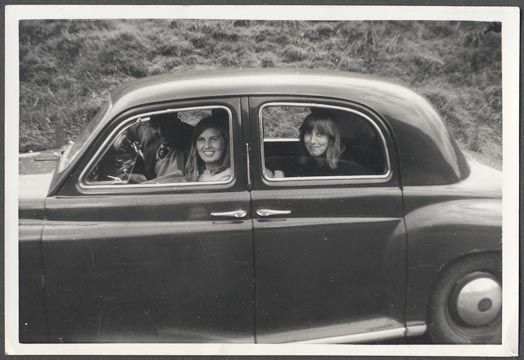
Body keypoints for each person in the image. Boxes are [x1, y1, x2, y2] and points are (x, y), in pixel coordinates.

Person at [116, 112, 194, 184]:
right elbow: (130, 127)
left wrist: (147, 184)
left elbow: (187, 180)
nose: (161, 132)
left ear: (177, 122)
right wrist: (121, 135)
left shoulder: (193, 140)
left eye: (166, 126)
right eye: (155, 127)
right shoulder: (148, 134)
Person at [289, 109, 369, 177]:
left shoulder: (346, 168)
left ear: (331, 139)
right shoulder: (309, 160)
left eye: (320, 135)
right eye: (308, 134)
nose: (312, 141)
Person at [185, 112, 231, 182]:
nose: (207, 146)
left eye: (213, 139)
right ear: (195, 145)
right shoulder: (197, 175)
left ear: (224, 143)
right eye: (201, 140)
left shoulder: (227, 178)